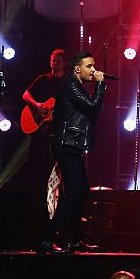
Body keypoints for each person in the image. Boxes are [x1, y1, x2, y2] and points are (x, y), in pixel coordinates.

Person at [37, 50, 108, 253]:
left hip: (73, 146)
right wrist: (101, 85)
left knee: (81, 192)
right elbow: (94, 108)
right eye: (89, 66)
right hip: (66, 146)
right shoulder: (71, 86)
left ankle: (73, 240)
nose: (93, 70)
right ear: (77, 68)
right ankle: (46, 238)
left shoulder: (79, 87)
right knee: (75, 193)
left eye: (94, 66)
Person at [21, 49, 67, 191]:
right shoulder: (43, 79)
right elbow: (26, 95)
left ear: (64, 63)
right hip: (40, 134)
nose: (55, 63)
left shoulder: (69, 82)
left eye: (58, 61)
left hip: (58, 135)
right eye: (53, 60)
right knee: (36, 169)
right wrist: (36, 105)